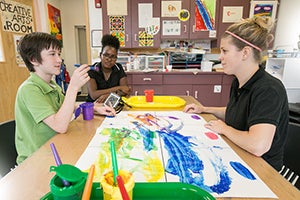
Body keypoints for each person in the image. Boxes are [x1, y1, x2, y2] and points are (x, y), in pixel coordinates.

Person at [183, 17, 289, 171]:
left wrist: (224, 129)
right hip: (240, 155)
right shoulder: (238, 82)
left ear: (245, 52)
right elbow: (237, 113)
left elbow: (258, 145)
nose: (220, 57)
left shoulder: (268, 89)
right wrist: (205, 109)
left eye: (225, 51)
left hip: (263, 170)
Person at [15, 32, 116, 164]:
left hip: (57, 146)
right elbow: (60, 126)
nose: (59, 60)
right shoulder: (29, 89)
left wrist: (96, 108)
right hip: (37, 159)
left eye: (59, 54)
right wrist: (73, 87)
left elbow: (68, 107)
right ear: (33, 59)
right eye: (52, 54)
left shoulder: (52, 84)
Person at [86, 34, 131, 103]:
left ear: (116, 58)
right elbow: (93, 95)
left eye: (113, 56)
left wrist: (109, 95)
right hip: (94, 106)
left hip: (113, 105)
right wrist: (118, 88)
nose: (109, 59)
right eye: (106, 55)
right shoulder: (93, 69)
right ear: (100, 55)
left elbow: (125, 90)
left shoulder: (118, 68)